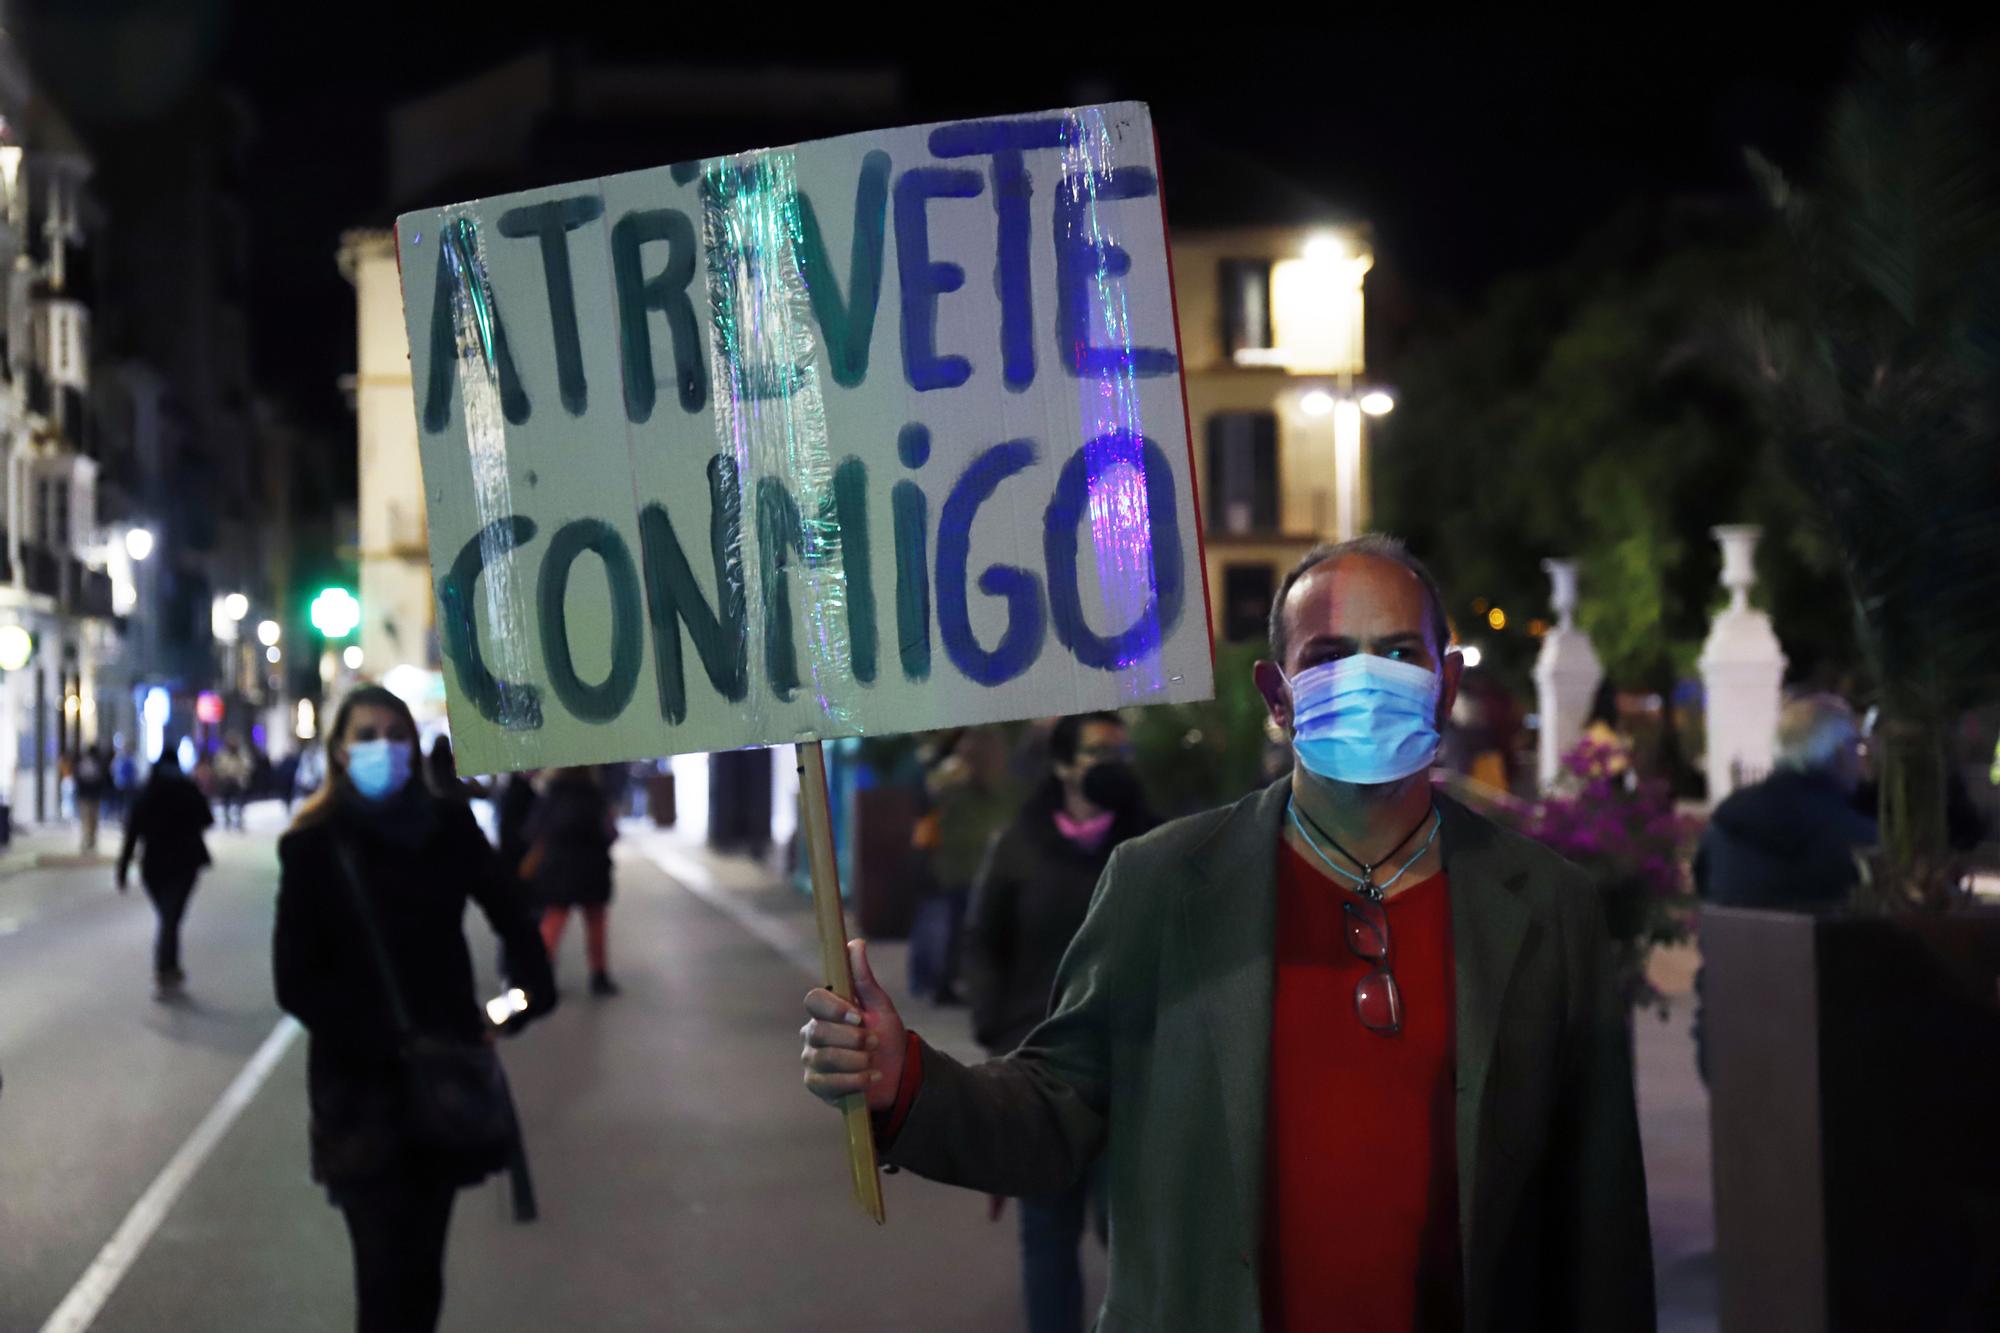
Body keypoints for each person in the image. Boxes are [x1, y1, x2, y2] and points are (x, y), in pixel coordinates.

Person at [801, 534, 1656, 1331]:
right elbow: (1055, 1109)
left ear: (1448, 682)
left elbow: (1602, 1214)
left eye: (1399, 653)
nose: (1367, 680)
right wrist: (904, 1077)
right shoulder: (1164, 884)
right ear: (1276, 697)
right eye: (1327, 657)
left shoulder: (1548, 907)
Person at [274, 685, 555, 1333]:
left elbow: (513, 916)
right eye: (366, 734)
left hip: (443, 1089)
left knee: (422, 1274)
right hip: (358, 1097)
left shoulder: (448, 826)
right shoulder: (311, 847)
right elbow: (295, 981)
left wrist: (512, 1008)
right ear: (339, 752)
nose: (383, 747)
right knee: (381, 1276)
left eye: (395, 733)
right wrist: (383, 1040)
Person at [963, 711, 1155, 1333]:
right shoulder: (1019, 845)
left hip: (1134, 1076)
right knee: (1046, 1235)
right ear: (1064, 765)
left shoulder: (1152, 846)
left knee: (1132, 1236)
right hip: (1039, 1076)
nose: (1113, 765)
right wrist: (998, 1035)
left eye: (1121, 752)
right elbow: (984, 943)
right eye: (1099, 752)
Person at [1691, 694, 1879, 1083]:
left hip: (1725, 1026)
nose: (1862, 760)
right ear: (1837, 753)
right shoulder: (1854, 837)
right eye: (1856, 747)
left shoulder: (1725, 824)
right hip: (1825, 1040)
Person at [910, 728, 1016, 1005]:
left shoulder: (957, 782)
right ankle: (944, 983)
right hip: (964, 868)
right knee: (957, 929)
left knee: (955, 928)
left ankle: (943, 983)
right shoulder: (960, 785)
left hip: (962, 867)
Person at [116, 752, 214, 998]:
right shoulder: (188, 791)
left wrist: (123, 869)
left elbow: (131, 834)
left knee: (167, 917)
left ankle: (168, 967)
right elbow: (207, 819)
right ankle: (165, 968)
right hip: (184, 862)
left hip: (154, 865)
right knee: (171, 917)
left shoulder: (146, 793)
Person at [524, 766, 620, 997]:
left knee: (553, 921)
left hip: (559, 868)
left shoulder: (551, 795)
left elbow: (533, 830)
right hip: (592, 868)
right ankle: (599, 976)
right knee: (596, 922)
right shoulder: (596, 796)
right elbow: (610, 834)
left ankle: (541, 976)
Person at [74, 743, 110, 852]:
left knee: (87, 818)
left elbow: (78, 779)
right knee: (92, 818)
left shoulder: (84, 763)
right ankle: (90, 839)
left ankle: (88, 838)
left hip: (87, 795)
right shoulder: (97, 764)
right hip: (92, 795)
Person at [214, 736, 253, 831]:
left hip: (238, 782)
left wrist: (241, 776)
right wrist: (224, 776)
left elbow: (247, 767)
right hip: (226, 782)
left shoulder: (242, 754)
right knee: (226, 803)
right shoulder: (222, 755)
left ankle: (239, 821)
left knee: (240, 802)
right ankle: (228, 821)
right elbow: (218, 767)